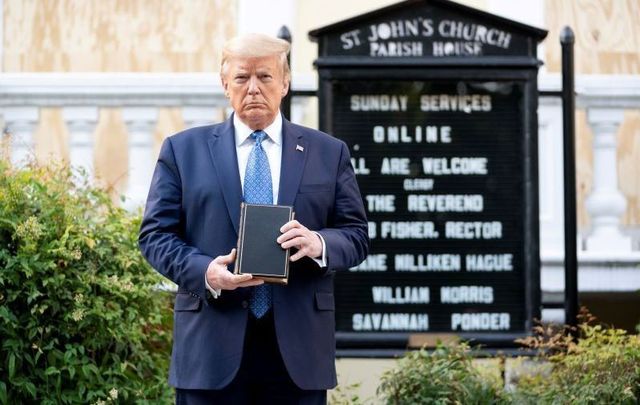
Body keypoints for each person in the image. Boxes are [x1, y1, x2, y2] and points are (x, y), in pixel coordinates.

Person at [139, 33, 369, 404]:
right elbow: (154, 235)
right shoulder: (183, 151)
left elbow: (356, 235)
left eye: (264, 77)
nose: (253, 89)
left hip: (298, 353)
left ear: (285, 83)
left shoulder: (327, 152)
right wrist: (204, 272)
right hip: (210, 348)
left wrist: (319, 243)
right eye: (242, 78)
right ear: (224, 83)